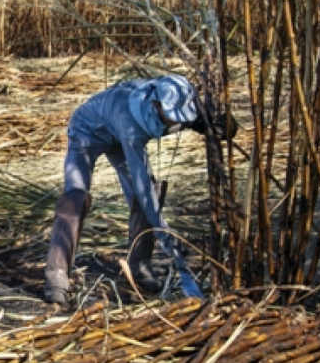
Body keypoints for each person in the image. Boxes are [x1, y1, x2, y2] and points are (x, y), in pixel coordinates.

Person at [43, 74, 235, 306]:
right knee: (76, 197)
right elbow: (142, 187)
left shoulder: (179, 99)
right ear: (155, 105)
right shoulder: (130, 120)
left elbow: (198, 119)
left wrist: (218, 125)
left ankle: (139, 266)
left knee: (148, 194)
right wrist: (166, 236)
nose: (176, 123)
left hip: (117, 133)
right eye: (170, 117)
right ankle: (56, 276)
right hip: (88, 131)